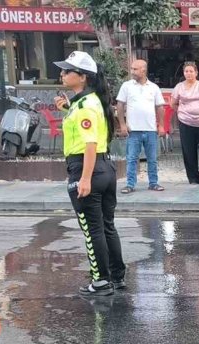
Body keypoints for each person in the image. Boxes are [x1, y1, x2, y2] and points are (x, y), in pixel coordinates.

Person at [53, 51, 126, 297]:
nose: (62, 74)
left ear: (82, 77)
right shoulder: (91, 101)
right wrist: (66, 109)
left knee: (92, 229)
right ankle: (116, 276)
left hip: (87, 168)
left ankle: (101, 282)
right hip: (104, 169)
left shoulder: (85, 106)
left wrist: (83, 179)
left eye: (67, 71)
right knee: (106, 227)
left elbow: (90, 144)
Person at [116, 59, 166, 193]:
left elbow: (160, 107)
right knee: (132, 158)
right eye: (131, 69)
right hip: (133, 130)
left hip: (150, 129)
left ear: (143, 70)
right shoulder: (127, 86)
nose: (132, 72)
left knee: (152, 159)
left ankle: (153, 183)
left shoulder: (153, 87)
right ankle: (130, 184)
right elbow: (120, 105)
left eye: (135, 69)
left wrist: (161, 126)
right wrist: (122, 124)